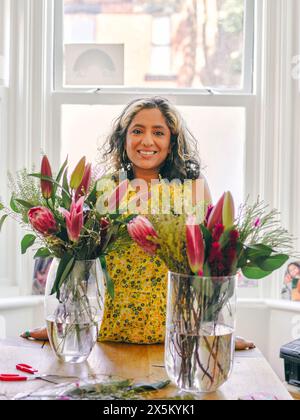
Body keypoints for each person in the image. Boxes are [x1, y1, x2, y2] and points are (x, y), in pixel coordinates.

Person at [21, 97, 255, 350]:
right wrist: (65, 321)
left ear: (172, 141)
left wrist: (215, 328)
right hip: (107, 327)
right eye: (137, 131)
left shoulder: (193, 187)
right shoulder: (104, 188)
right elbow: (82, 261)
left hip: (178, 328)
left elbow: (210, 264)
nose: (147, 141)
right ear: (123, 139)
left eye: (158, 132)